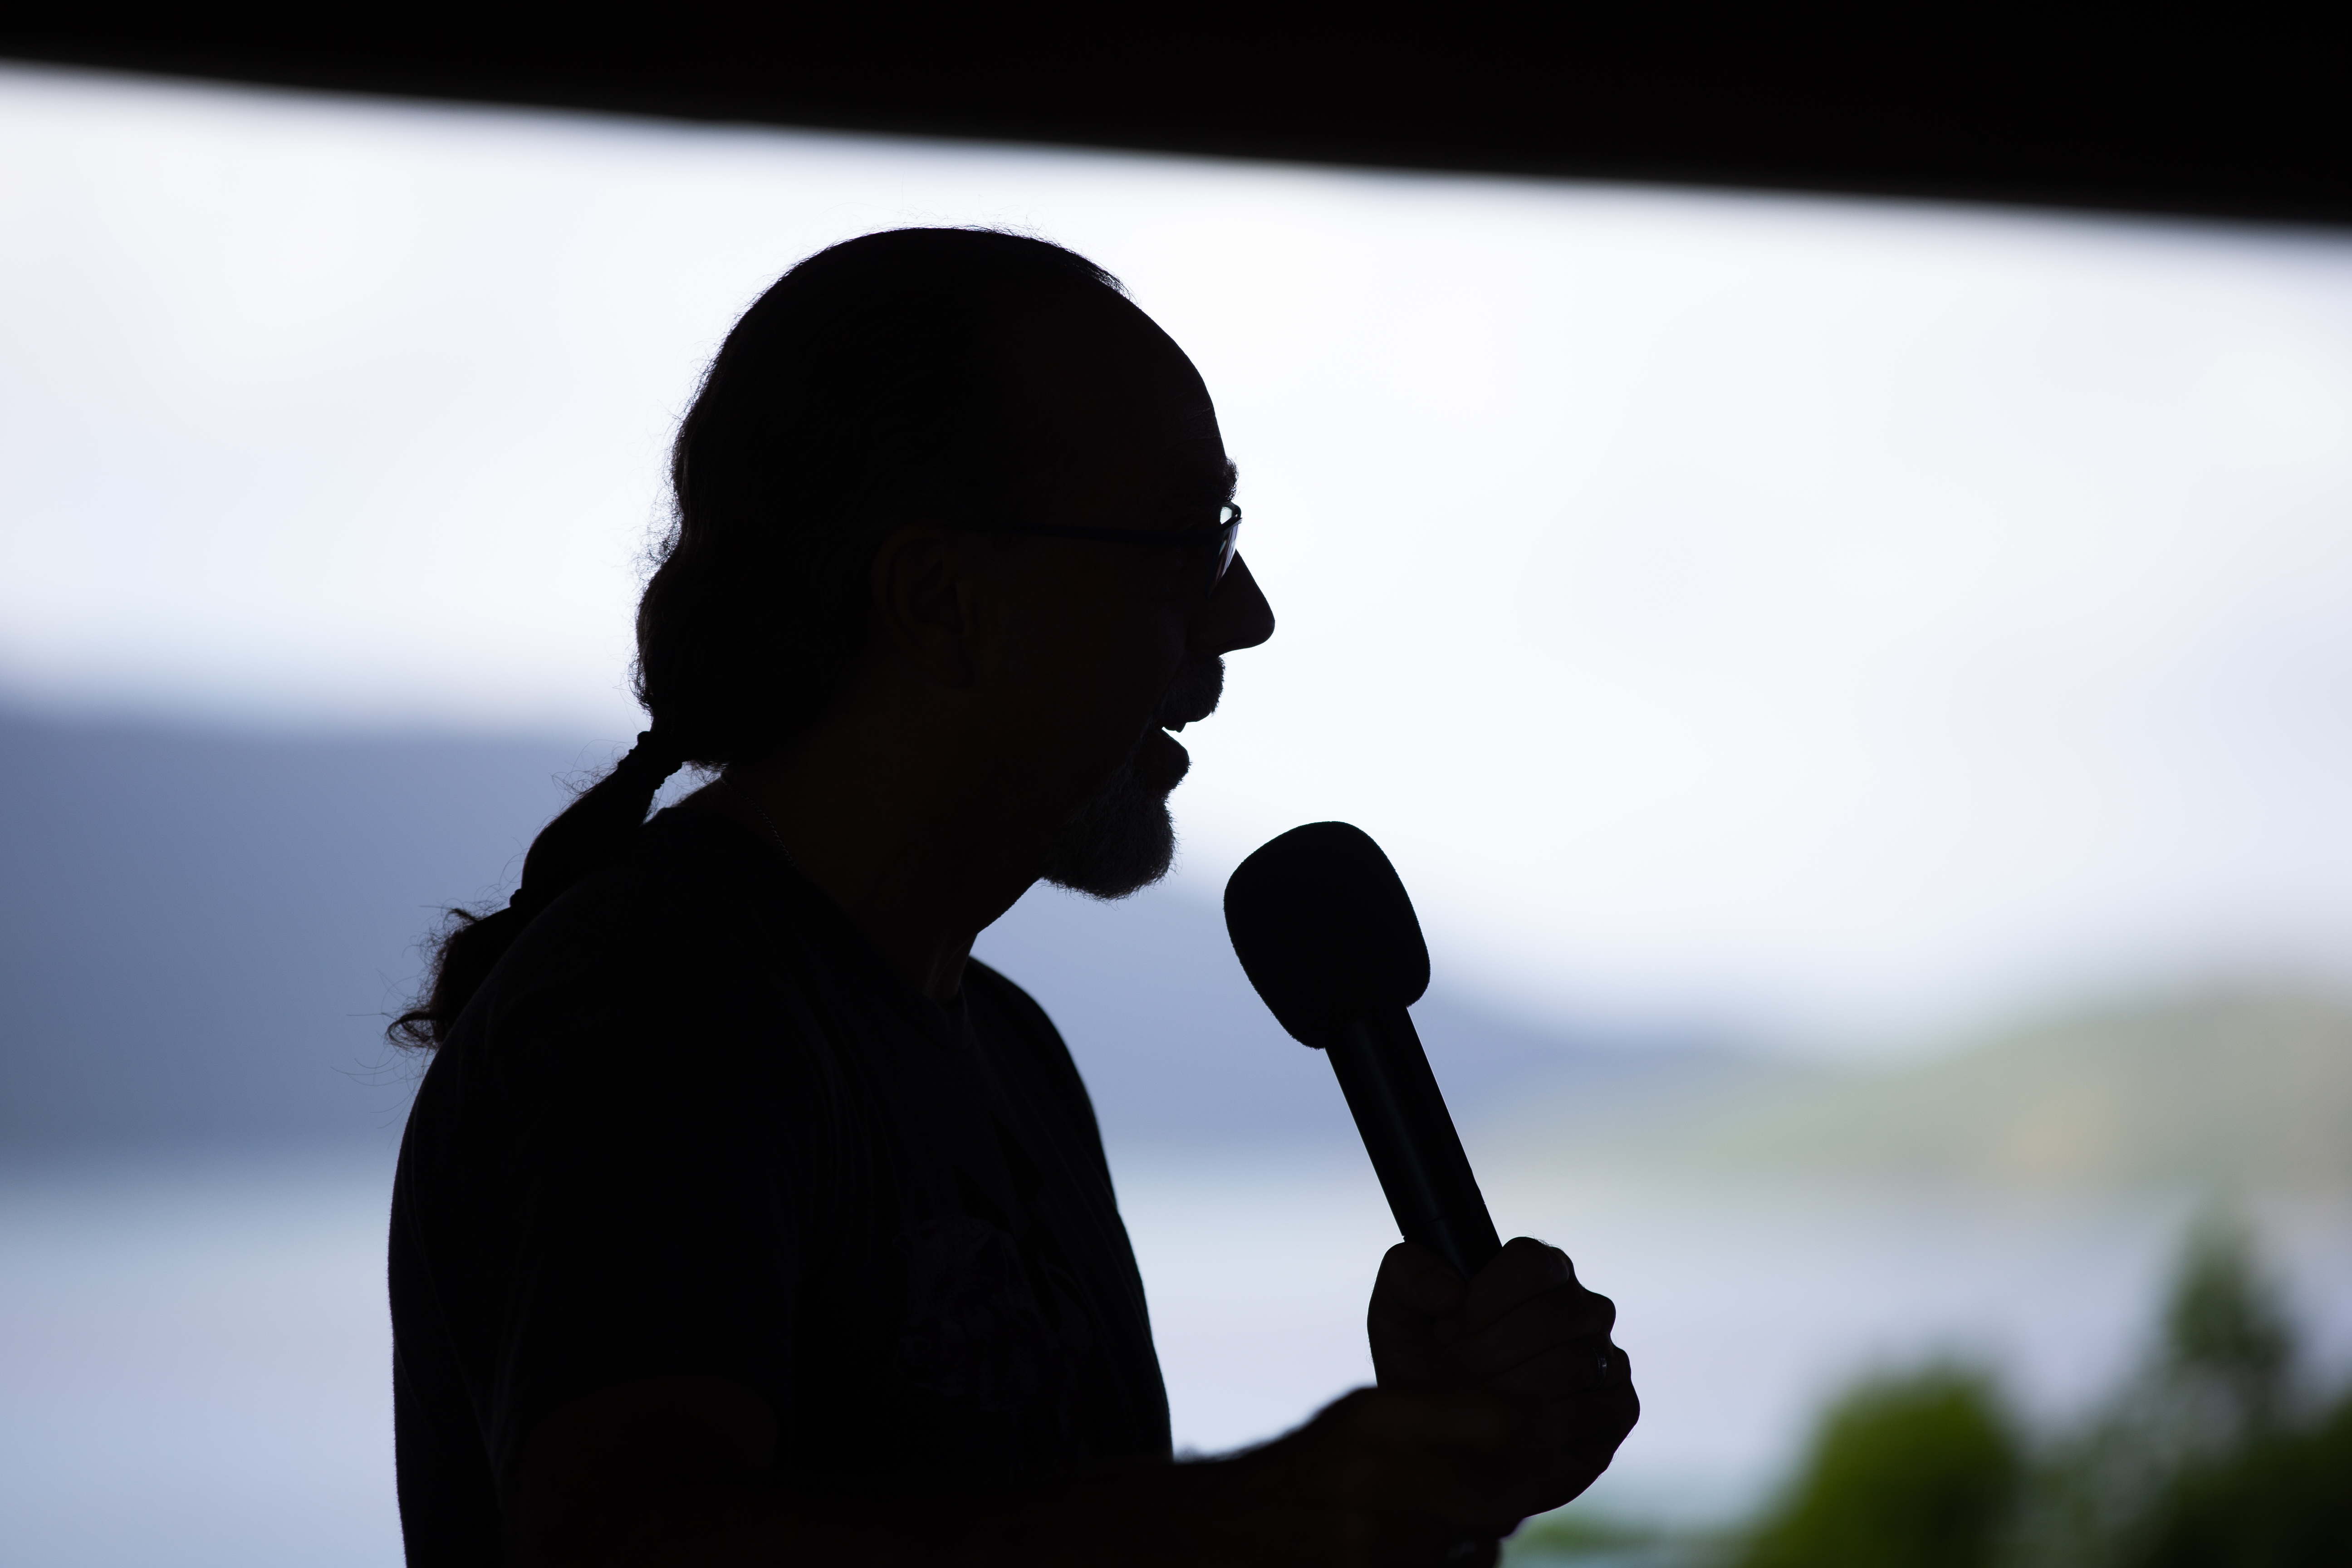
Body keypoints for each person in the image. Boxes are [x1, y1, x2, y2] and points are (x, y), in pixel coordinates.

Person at [387, 227, 1637, 1568]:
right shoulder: (649, 1020)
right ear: (941, 601)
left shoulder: (1009, 1054)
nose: (1246, 615)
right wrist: (1244, 1523)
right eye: (1186, 542)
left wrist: (1420, 1484)